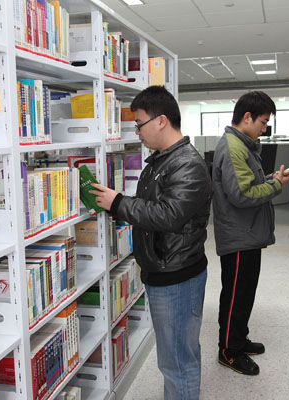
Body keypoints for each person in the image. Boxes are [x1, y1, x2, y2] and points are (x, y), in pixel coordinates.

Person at [90, 85, 211, 399]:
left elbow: (169, 216)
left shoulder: (187, 164)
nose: (137, 132)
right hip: (165, 269)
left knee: (178, 362)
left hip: (177, 276)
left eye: (139, 124)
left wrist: (119, 203)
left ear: (161, 121)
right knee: (175, 356)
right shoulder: (161, 160)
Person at [212, 91, 289, 376]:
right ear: (247, 117)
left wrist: (273, 179)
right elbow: (243, 194)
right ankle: (229, 351)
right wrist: (276, 186)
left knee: (244, 293)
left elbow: (247, 183)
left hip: (246, 234)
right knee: (236, 296)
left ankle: (238, 339)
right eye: (263, 122)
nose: (265, 128)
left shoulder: (243, 145)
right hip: (239, 236)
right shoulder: (234, 147)